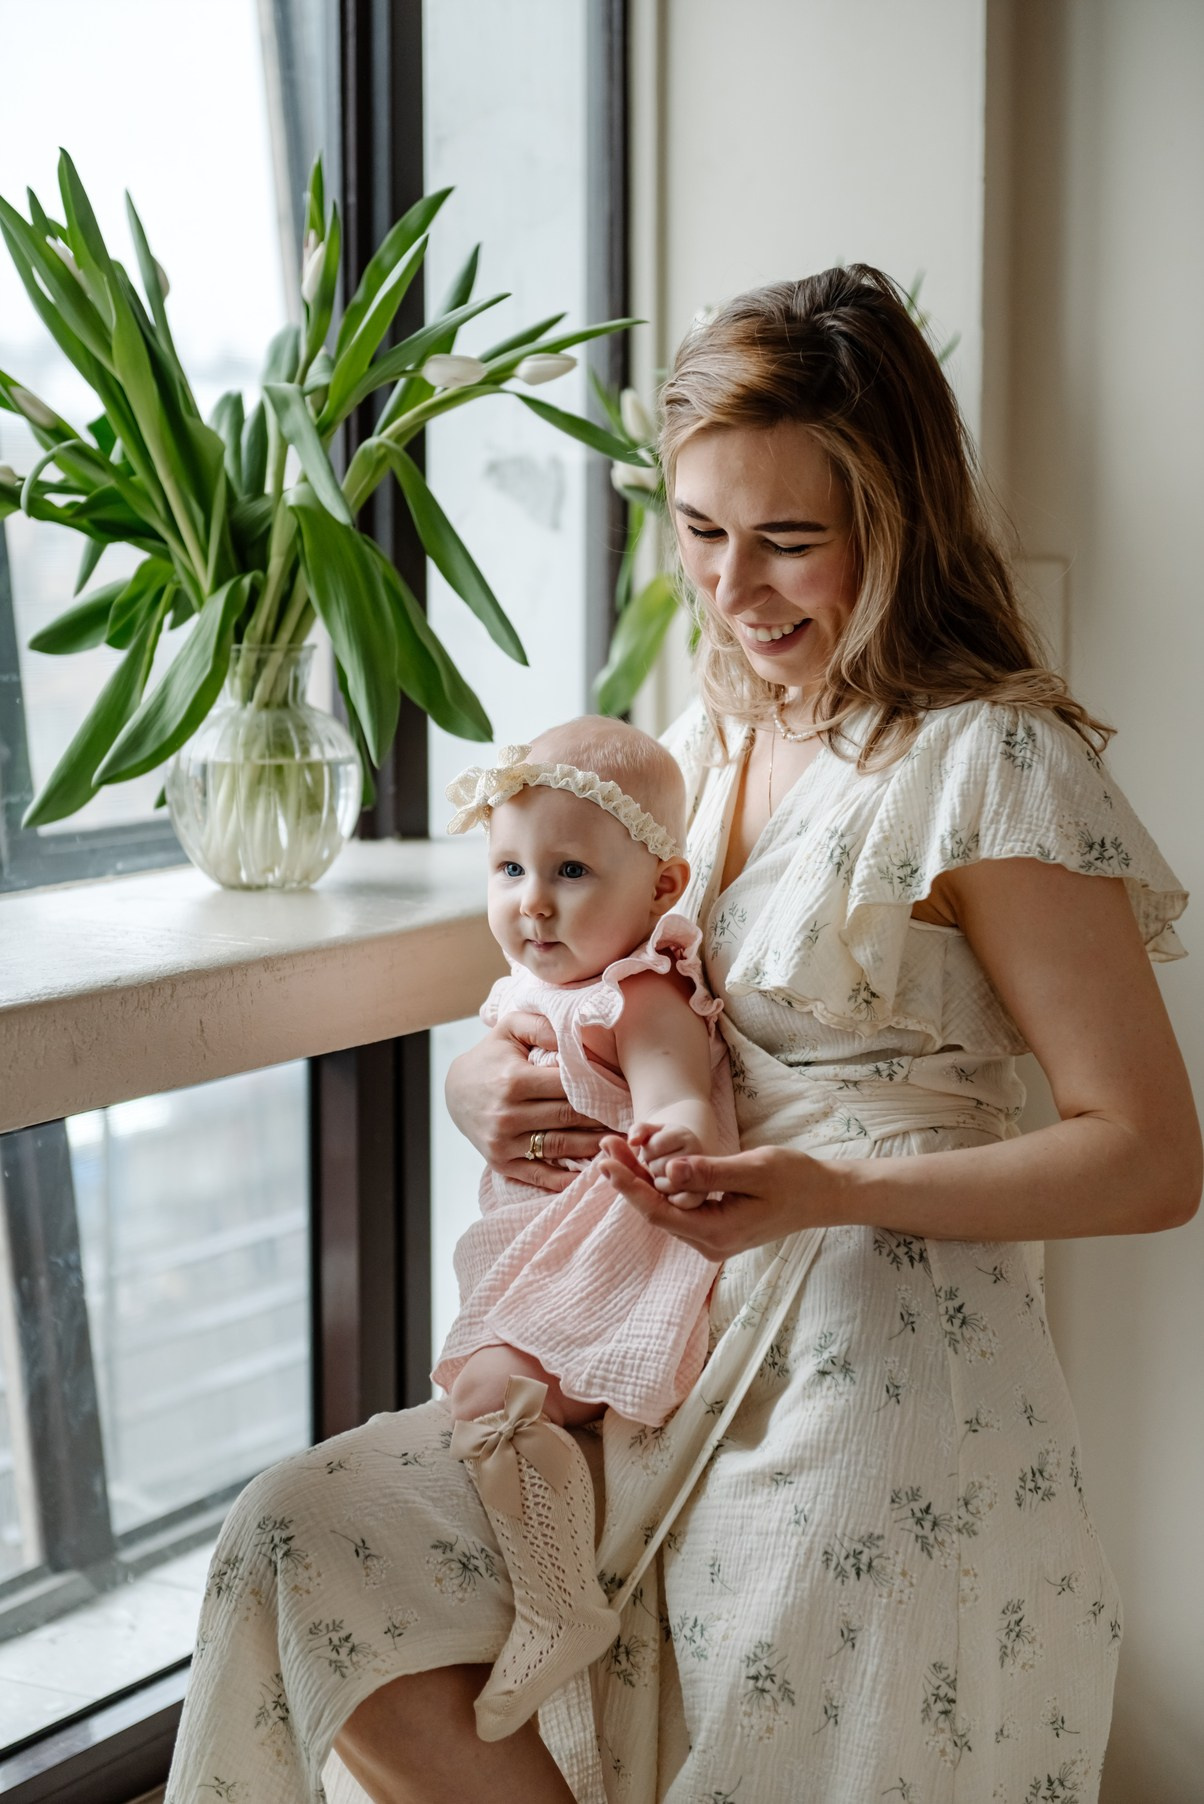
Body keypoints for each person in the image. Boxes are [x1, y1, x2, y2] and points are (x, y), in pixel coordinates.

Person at [165, 265, 1200, 1804]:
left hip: (873, 1369)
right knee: (309, 1542)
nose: (736, 589)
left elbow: (1149, 1158)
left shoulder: (992, 762)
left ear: (896, 523)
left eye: (790, 541)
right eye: (702, 534)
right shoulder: (706, 737)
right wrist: (487, 1086)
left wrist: (834, 1191)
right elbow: (594, 980)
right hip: (647, 1328)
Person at [433, 716, 737, 1740]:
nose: (532, 901)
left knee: (487, 1393)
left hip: (611, 1244)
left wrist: (673, 1137)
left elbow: (678, 1091)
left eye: (569, 870)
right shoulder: (535, 985)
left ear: (660, 888)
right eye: (509, 867)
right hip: (542, 1238)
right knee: (481, 1394)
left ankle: (557, 1600)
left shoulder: (637, 990)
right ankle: (543, 1575)